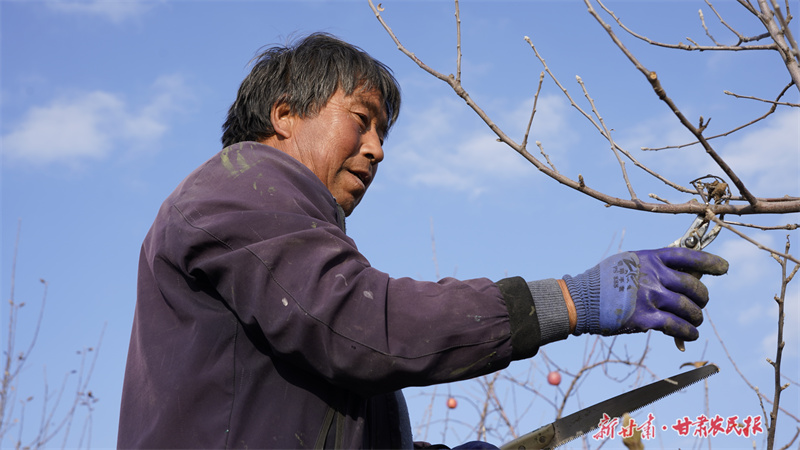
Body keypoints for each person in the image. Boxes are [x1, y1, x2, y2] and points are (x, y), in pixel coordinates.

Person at [117, 33, 728, 449]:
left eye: (384, 132)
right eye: (362, 119)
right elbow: (365, 327)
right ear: (284, 115)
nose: (378, 148)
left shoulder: (285, 244)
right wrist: (567, 300)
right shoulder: (243, 185)